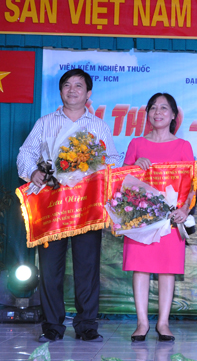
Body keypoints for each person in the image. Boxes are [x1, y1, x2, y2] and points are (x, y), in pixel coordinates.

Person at [17, 69, 120, 343]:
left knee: (87, 267)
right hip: (52, 203)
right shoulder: (45, 122)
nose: (72, 90)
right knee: (50, 268)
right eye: (67, 85)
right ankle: (52, 325)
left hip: (86, 205)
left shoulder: (98, 126)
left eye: (78, 86)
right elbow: (26, 153)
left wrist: (91, 169)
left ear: (88, 93)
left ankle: (87, 326)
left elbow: (112, 160)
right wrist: (32, 172)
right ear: (61, 91)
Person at [122, 93, 194, 343]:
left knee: (167, 269)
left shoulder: (183, 146)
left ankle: (163, 322)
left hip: (170, 218)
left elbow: (192, 184)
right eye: (153, 108)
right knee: (140, 268)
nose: (158, 112)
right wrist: (134, 167)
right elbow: (122, 181)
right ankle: (142, 322)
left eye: (164, 108)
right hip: (140, 218)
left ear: (174, 115)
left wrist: (185, 209)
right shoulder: (136, 144)